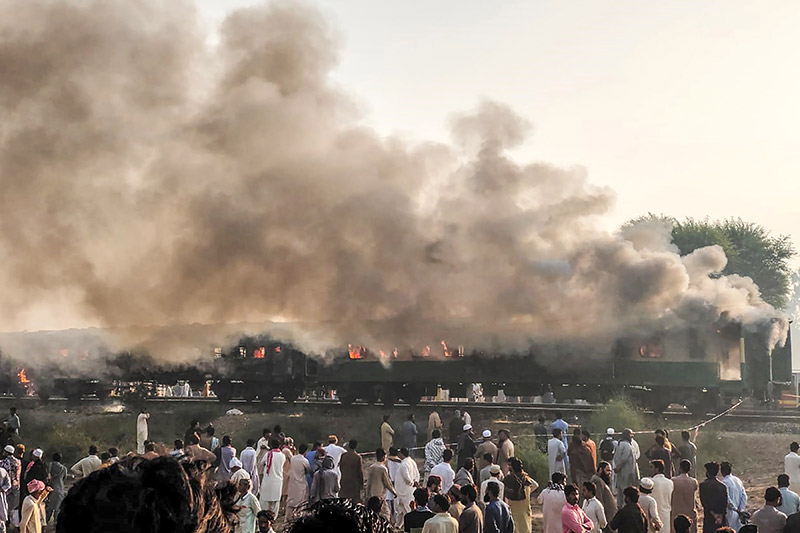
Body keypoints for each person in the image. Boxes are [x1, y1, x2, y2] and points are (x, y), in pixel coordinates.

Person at [504, 457, 537, 533]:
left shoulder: (508, 480)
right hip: (525, 511)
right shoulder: (526, 479)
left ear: (512, 468)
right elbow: (536, 485)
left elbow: (506, 496)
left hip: (513, 511)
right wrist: (528, 492)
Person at [367, 448, 396, 521]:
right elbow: (387, 483)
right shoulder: (383, 468)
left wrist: (367, 494)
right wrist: (394, 492)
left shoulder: (371, 467)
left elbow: (368, 482)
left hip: (371, 495)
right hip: (380, 495)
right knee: (386, 513)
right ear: (383, 457)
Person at [699, 462, 728, 533]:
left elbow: (704, 503)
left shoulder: (703, 485)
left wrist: (714, 515)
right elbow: (725, 503)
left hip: (709, 518)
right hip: (720, 519)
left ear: (707, 472)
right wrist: (720, 516)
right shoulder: (723, 486)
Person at [259, 438, 286, 515]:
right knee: (276, 501)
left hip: (268, 480)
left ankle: (264, 516)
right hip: (278, 480)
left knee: (265, 500)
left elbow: (261, 463)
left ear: (270, 445)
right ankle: (273, 517)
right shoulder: (282, 455)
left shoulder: (268, 454)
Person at [670, 460, 698, 533]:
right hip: (689, 513)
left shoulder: (673, 481)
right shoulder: (693, 481)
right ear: (690, 469)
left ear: (680, 468)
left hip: (676, 513)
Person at [614, 430, 640, 507]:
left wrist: (617, 467)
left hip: (623, 471)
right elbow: (626, 458)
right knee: (625, 490)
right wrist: (619, 467)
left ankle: (620, 506)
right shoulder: (627, 445)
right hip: (627, 471)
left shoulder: (622, 444)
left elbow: (620, 458)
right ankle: (624, 506)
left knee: (621, 490)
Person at [285, 443, 311, 520]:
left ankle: (288, 518)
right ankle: (299, 518)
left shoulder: (293, 458)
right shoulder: (305, 461)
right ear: (305, 451)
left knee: (290, 501)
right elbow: (308, 471)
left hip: (292, 482)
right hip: (301, 484)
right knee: (301, 503)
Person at [396, 448, 420, 528]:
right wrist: (415, 481)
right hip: (408, 490)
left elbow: (407, 478)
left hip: (404, 491)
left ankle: (410, 526)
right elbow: (417, 475)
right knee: (401, 510)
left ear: (402, 454)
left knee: (407, 509)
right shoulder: (412, 462)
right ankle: (398, 526)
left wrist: (412, 483)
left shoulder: (404, 464)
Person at [720, 461, 746, 532]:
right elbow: (744, 496)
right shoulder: (738, 480)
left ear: (722, 472)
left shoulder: (724, 482)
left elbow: (727, 499)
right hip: (739, 512)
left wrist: (735, 508)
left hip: (730, 512)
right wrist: (741, 509)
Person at [650, 460, 673, 533]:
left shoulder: (651, 482)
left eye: (652, 467)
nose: (650, 470)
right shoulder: (670, 482)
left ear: (657, 469)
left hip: (654, 515)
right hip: (666, 515)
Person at [0, 445, 19, 531]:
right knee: (14, 507)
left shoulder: (3, 462)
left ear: (6, 452)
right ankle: (15, 526)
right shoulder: (18, 462)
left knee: (3, 506)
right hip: (15, 487)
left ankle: (6, 524)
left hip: (5, 488)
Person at [45, 451, 66, 523]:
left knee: (48, 509)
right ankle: (56, 524)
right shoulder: (63, 468)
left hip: (49, 489)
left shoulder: (49, 466)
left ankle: (44, 524)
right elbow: (64, 478)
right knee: (57, 509)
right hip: (60, 489)